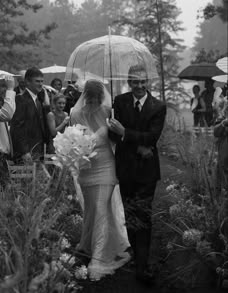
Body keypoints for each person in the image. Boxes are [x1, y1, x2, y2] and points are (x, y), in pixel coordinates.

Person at [108, 64, 166, 285]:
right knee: (131, 215)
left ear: (147, 82)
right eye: (135, 81)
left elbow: (151, 137)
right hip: (125, 169)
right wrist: (131, 139)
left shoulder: (158, 106)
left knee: (143, 214)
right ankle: (137, 256)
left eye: (143, 81)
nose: (139, 85)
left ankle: (143, 267)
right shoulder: (119, 102)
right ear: (129, 81)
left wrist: (126, 133)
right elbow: (112, 135)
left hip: (147, 172)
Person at [70, 79, 130, 281]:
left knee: (102, 210)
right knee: (90, 209)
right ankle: (87, 245)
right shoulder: (75, 113)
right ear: (85, 96)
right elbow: (71, 139)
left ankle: (98, 258)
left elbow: (117, 137)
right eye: (91, 99)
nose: (94, 102)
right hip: (86, 168)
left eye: (97, 99)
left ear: (102, 97)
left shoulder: (108, 111)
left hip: (106, 166)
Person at [10, 67, 48, 163]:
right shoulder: (20, 100)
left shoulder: (38, 101)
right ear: (27, 82)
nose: (41, 84)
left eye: (42, 81)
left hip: (38, 151)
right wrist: (24, 151)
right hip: (27, 153)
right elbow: (17, 128)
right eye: (37, 81)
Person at [0, 73, 15, 185]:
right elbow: (6, 115)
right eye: (2, 86)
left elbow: (10, 112)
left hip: (1, 156)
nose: (5, 90)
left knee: (4, 194)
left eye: (6, 86)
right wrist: (10, 90)